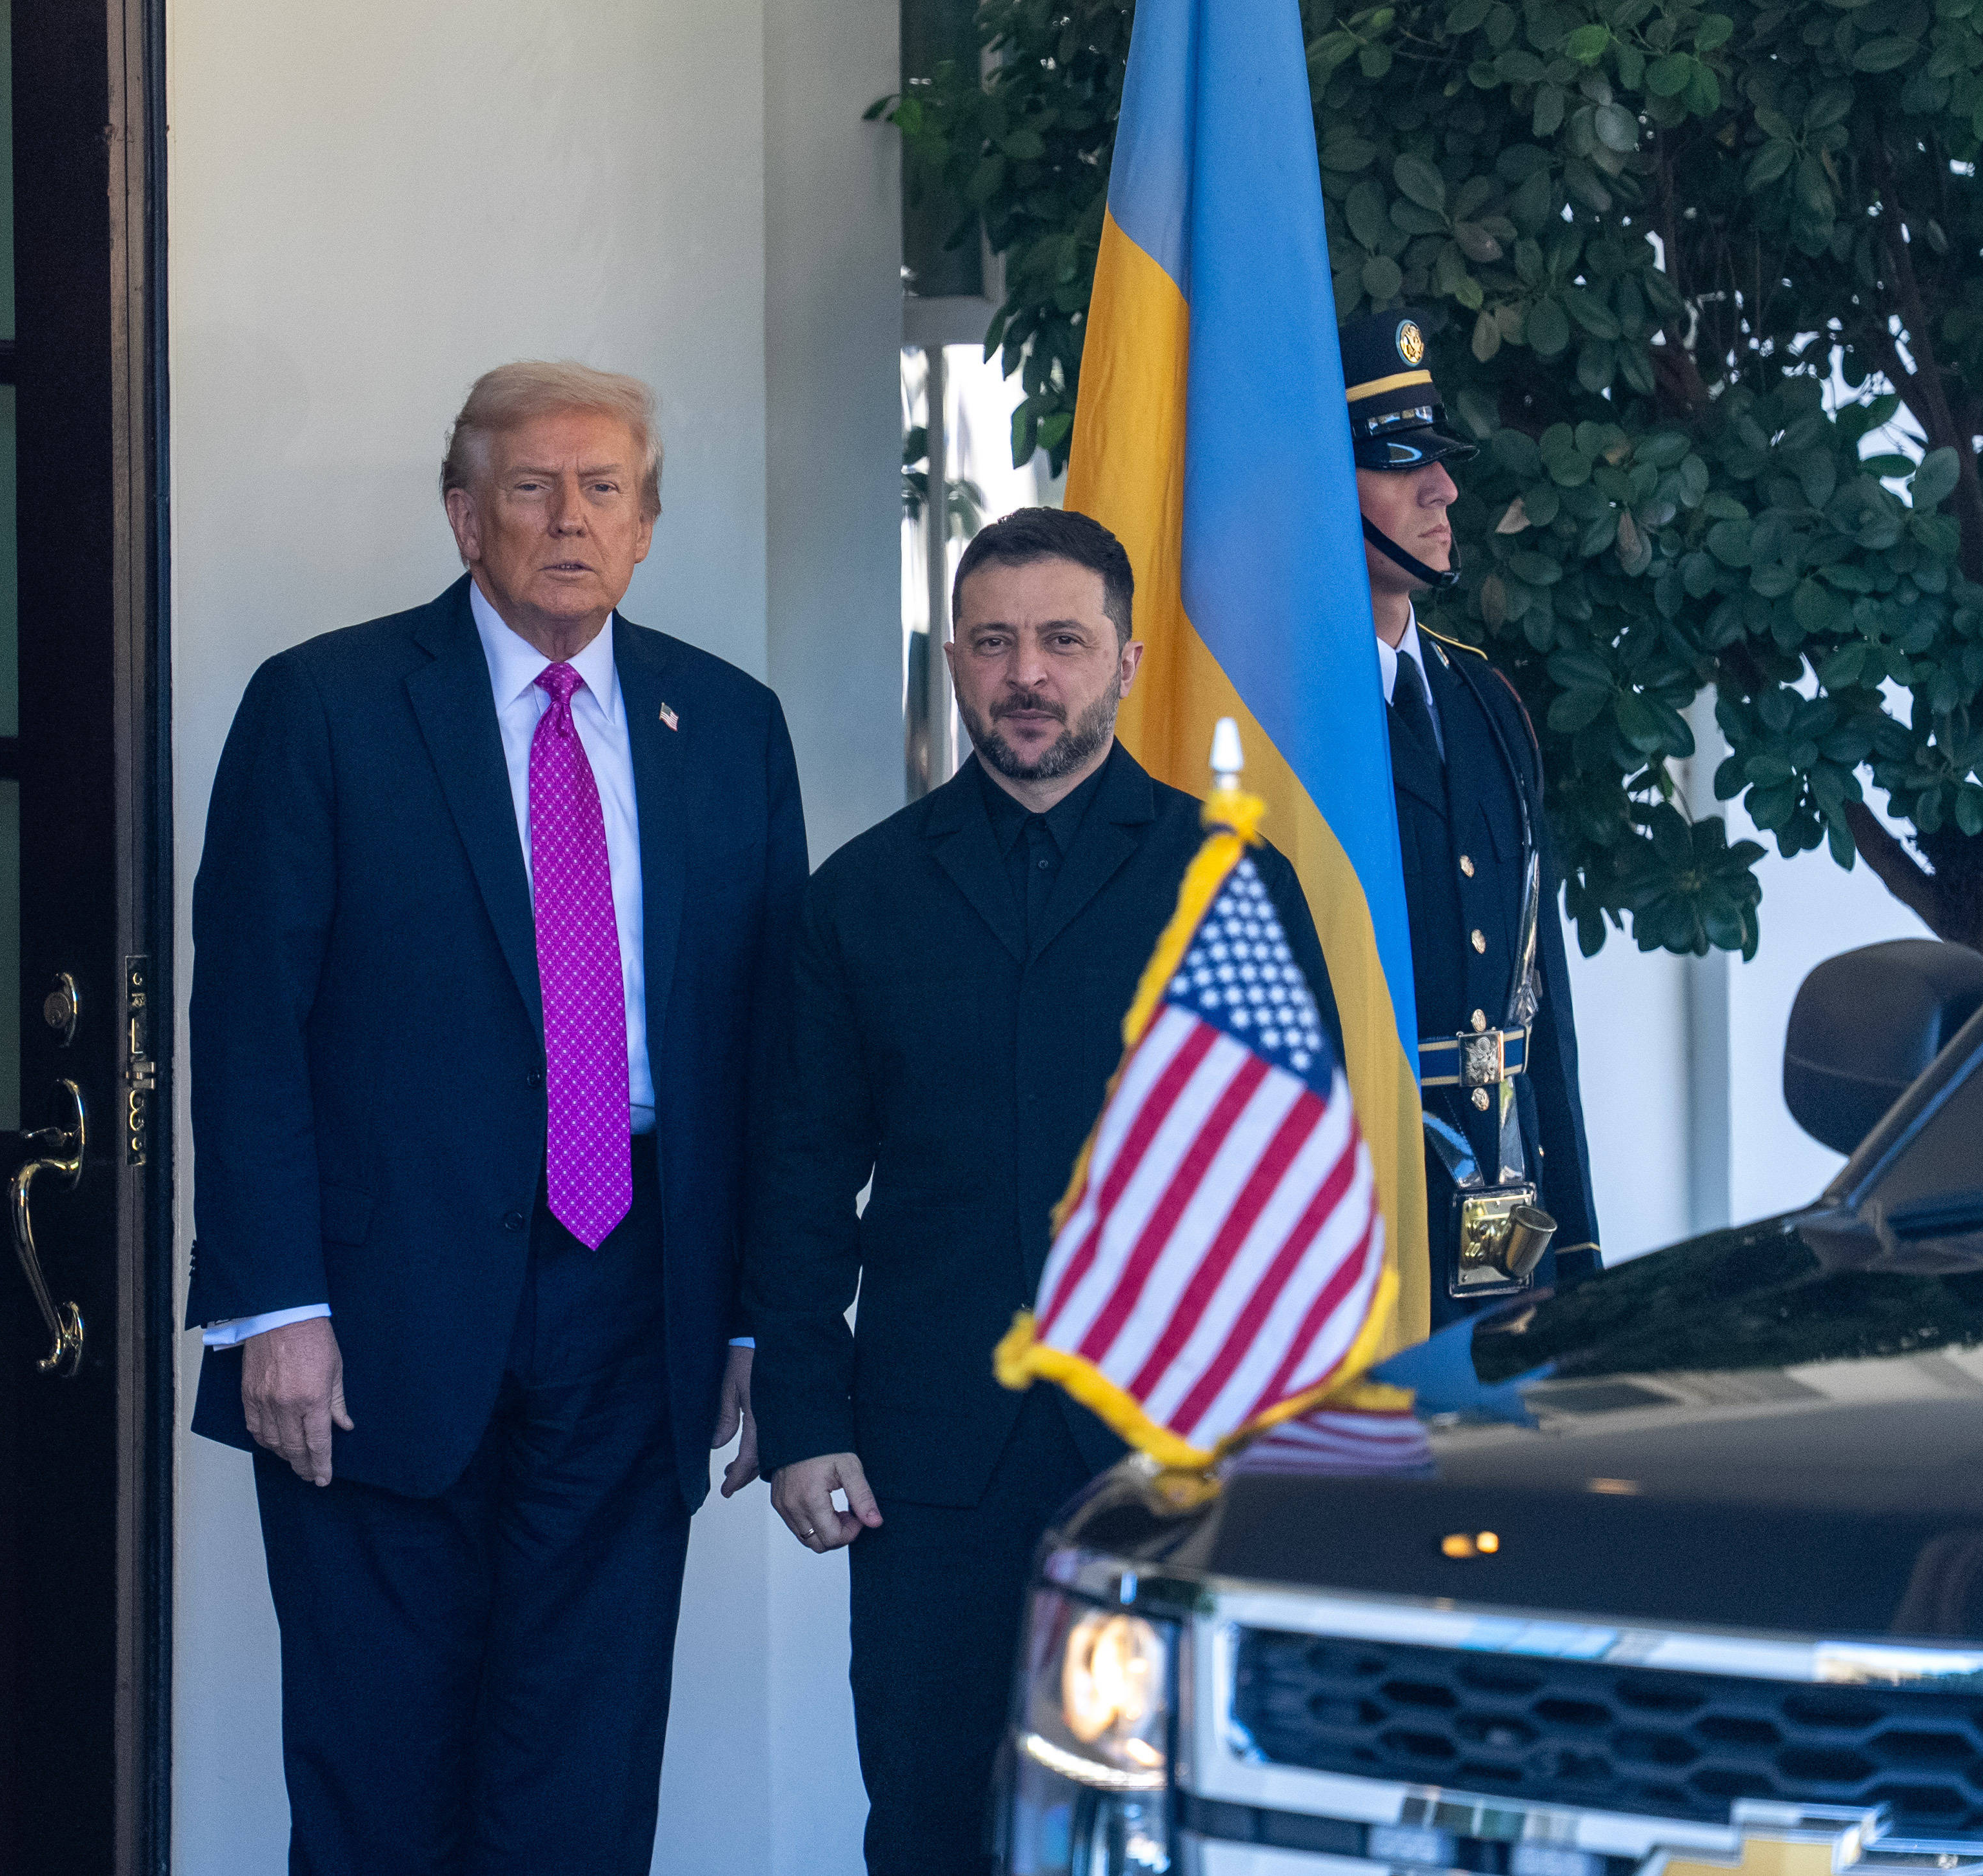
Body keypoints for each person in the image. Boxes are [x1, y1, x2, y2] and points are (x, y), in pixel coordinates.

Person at [187, 359, 807, 1875]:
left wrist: (754, 1317)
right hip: (372, 1318)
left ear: (650, 527)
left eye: (606, 489)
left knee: (581, 1775)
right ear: (466, 517)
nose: (570, 517)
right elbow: (248, 1019)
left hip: (637, 1289)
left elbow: (771, 1049)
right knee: (380, 1770)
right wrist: (273, 1301)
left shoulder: (728, 725)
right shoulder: (323, 707)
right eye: (531, 486)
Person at [744, 507, 1340, 1876]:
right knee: (931, 1821)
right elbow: (797, 1181)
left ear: (1127, 659)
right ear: (953, 656)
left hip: (1171, 1453)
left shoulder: (1232, 876)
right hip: (924, 1465)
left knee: (1177, 1829)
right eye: (997, 641)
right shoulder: (860, 898)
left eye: (1062, 640)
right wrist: (801, 1419)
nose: (1028, 673)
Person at [1341, 307, 1599, 1323]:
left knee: (1493, 1445)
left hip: (1499, 1201)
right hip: (1350, 1219)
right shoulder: (1283, 725)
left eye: (1438, 458)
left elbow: (1543, 1002)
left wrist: (1571, 1248)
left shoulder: (1483, 700)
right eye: (1398, 460)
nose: (1440, 488)